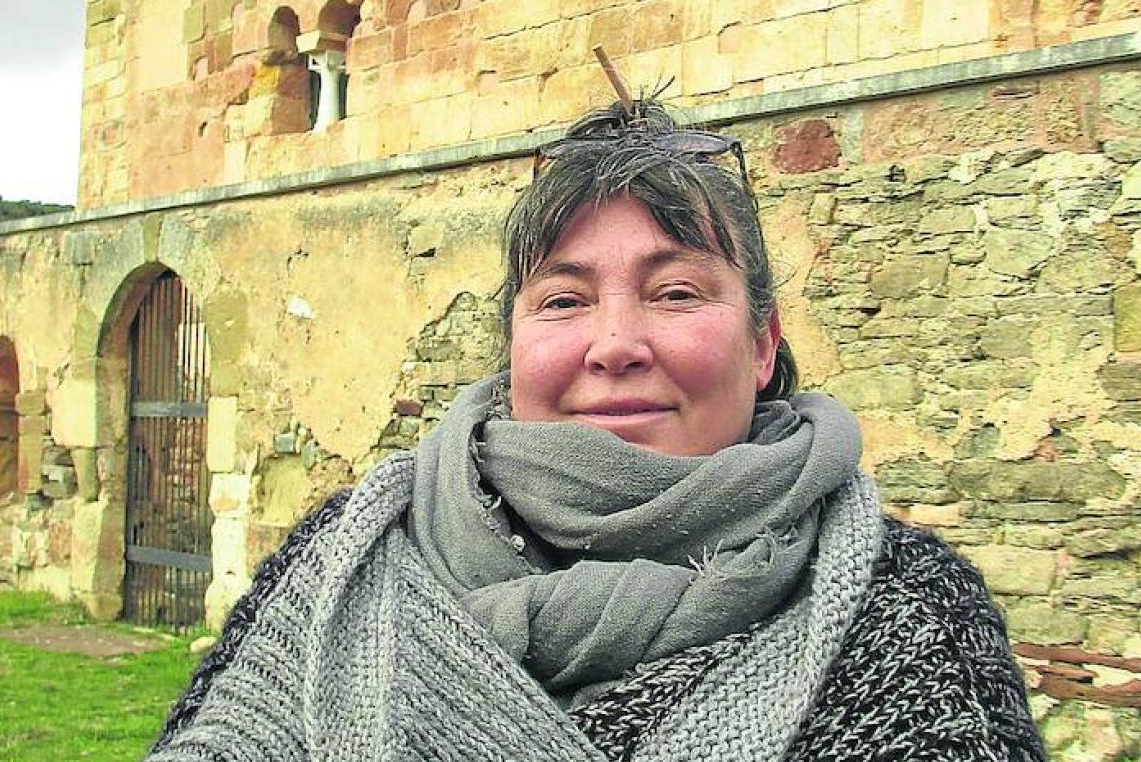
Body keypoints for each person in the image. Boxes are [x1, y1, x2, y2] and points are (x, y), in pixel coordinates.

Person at [145, 98, 1046, 762]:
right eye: (563, 300)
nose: (614, 345)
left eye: (676, 292)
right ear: (511, 345)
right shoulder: (346, 558)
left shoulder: (906, 610)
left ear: (763, 345)